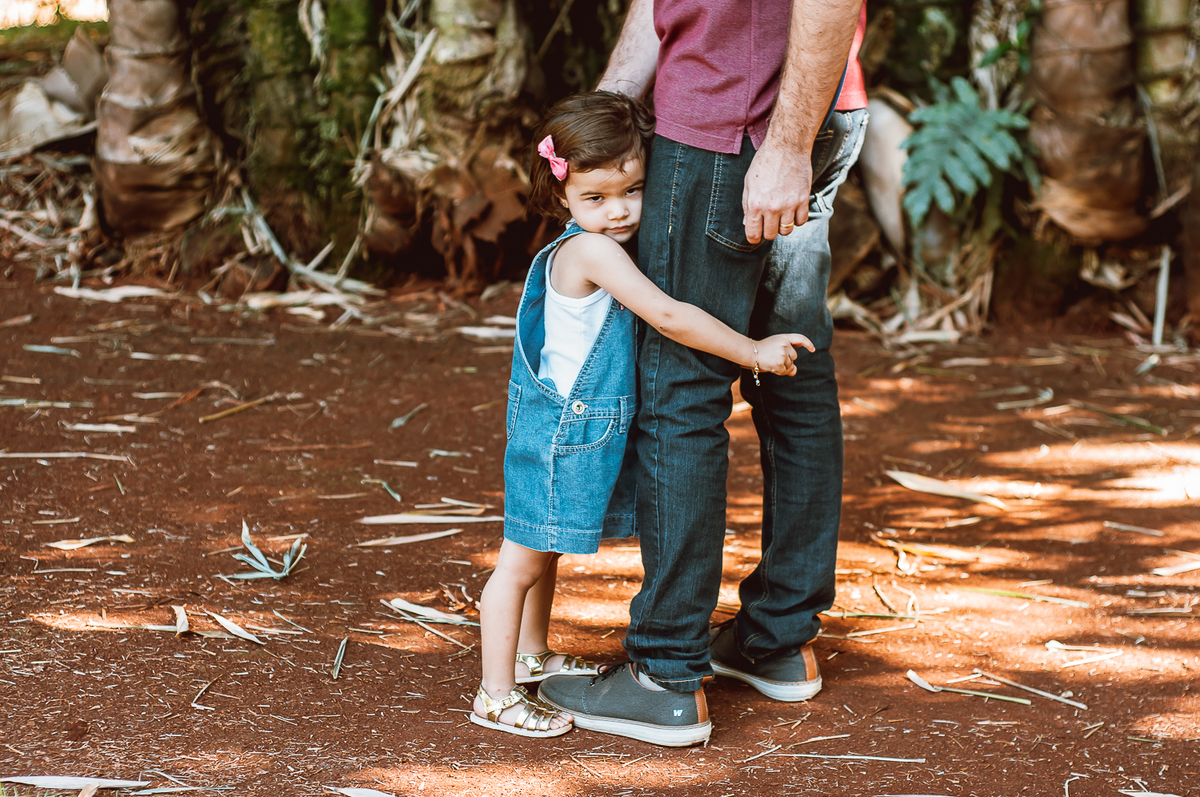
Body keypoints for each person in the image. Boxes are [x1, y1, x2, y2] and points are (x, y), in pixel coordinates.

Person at [537, 0, 870, 747]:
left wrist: (784, 144)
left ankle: (663, 672)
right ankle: (776, 640)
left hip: (735, 124)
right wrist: (608, 110)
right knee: (793, 369)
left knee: (680, 385)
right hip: (808, 107)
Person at [470, 90, 816, 739]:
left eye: (632, 189)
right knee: (520, 560)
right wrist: (750, 351)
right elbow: (667, 315)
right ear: (564, 194)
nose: (621, 210)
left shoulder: (596, 243)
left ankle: (530, 653)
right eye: (596, 198)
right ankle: (495, 693)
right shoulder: (592, 253)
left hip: (576, 427)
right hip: (564, 430)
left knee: (547, 549)